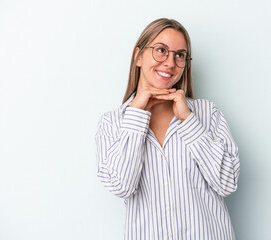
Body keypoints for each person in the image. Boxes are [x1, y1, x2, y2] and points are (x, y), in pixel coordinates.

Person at [95, 18, 240, 240]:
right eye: (161, 50)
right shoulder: (112, 123)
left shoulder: (207, 114)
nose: (170, 63)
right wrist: (136, 113)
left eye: (179, 55)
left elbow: (227, 182)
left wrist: (188, 120)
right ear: (138, 56)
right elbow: (121, 187)